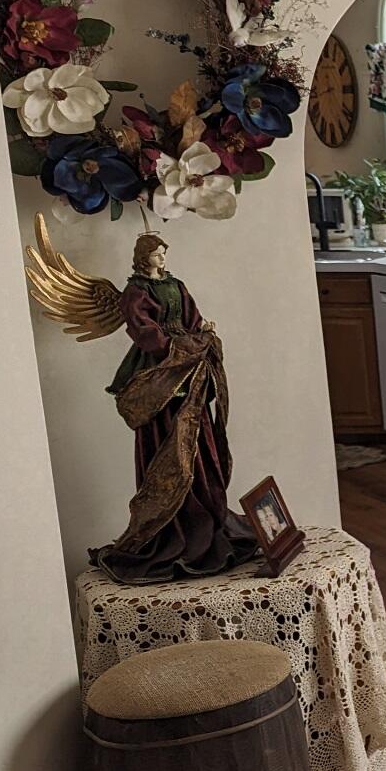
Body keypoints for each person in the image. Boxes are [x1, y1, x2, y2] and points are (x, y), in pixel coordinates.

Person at [92, 233, 258, 582]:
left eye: (164, 252)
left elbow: (192, 319)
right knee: (167, 438)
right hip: (159, 369)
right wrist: (178, 346)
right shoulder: (135, 292)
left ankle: (205, 517)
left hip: (189, 368)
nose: (162, 258)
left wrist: (201, 333)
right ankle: (169, 529)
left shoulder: (176, 284)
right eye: (156, 253)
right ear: (143, 256)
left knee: (197, 437)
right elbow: (144, 331)